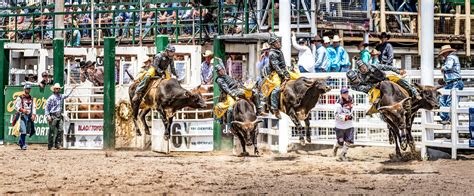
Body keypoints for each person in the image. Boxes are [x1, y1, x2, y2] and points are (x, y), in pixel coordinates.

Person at [214, 64, 263, 129]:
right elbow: (226, 89)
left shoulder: (226, 75)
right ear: (217, 72)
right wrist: (233, 95)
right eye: (219, 71)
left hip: (238, 90)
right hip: (230, 93)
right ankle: (229, 125)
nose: (221, 71)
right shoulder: (219, 80)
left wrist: (245, 85)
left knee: (255, 93)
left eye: (222, 69)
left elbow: (235, 82)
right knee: (230, 109)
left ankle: (259, 111)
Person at [266, 33, 290, 119]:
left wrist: (287, 72)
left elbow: (283, 65)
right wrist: (283, 75)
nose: (279, 43)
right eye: (277, 42)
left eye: (279, 42)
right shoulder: (272, 53)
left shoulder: (279, 51)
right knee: (276, 89)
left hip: (283, 70)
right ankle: (275, 109)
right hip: (275, 73)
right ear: (273, 44)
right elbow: (276, 66)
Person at [438, 45, 463, 124]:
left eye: (443, 53)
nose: (443, 55)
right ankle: (447, 118)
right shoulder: (452, 57)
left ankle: (447, 118)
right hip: (453, 82)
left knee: (446, 100)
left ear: (446, 52)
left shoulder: (450, 57)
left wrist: (442, 68)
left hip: (454, 82)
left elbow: (448, 67)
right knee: (446, 99)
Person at [45, 83, 75, 150]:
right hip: (53, 115)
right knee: (52, 131)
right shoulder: (51, 98)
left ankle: (57, 144)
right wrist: (48, 116)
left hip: (59, 115)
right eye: (56, 88)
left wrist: (71, 89)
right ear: (54, 89)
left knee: (60, 130)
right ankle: (50, 145)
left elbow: (67, 95)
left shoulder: (61, 96)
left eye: (58, 89)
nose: (58, 90)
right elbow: (46, 107)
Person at [333, 87, 354, 161]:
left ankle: (342, 154)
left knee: (349, 140)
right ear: (341, 94)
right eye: (344, 93)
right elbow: (336, 115)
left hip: (349, 125)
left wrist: (350, 116)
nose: (346, 94)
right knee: (340, 142)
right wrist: (346, 118)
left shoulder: (351, 99)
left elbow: (351, 109)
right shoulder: (338, 104)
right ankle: (336, 147)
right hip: (340, 126)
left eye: (347, 92)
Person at [14, 84, 36, 150]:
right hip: (22, 116)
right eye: (27, 89)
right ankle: (23, 144)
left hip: (29, 116)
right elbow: (15, 106)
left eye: (29, 89)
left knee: (27, 131)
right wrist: (22, 110)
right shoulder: (20, 98)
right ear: (24, 89)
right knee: (23, 130)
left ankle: (21, 142)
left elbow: (34, 107)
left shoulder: (31, 98)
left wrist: (33, 115)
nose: (28, 90)